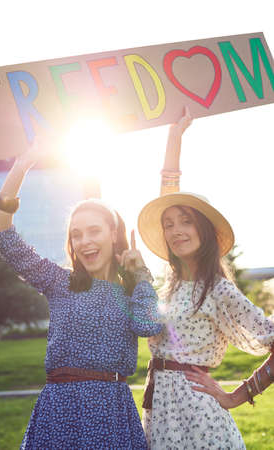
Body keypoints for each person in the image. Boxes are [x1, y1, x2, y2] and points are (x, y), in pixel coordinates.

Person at [0, 137, 162, 449]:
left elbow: (149, 325)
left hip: (113, 414)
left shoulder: (132, 291)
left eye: (94, 231)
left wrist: (140, 275)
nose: (84, 242)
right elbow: (1, 233)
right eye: (76, 234)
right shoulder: (60, 282)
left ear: (113, 233)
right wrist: (22, 165)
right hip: (60, 413)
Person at [137, 109, 274, 449]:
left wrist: (238, 395)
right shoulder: (172, 283)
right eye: (168, 224)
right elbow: (165, 194)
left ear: (205, 231)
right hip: (161, 409)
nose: (175, 231)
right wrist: (173, 138)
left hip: (198, 413)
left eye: (186, 221)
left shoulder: (218, 290)